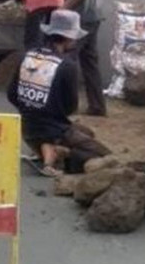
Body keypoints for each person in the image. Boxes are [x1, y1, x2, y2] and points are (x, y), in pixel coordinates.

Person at [7, 9, 111, 177]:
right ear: (69, 37)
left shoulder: (27, 56)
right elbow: (71, 106)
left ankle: (45, 148)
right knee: (104, 157)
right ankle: (58, 155)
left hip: (28, 130)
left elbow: (11, 94)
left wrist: (31, 109)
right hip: (53, 129)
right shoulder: (67, 65)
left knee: (87, 133)